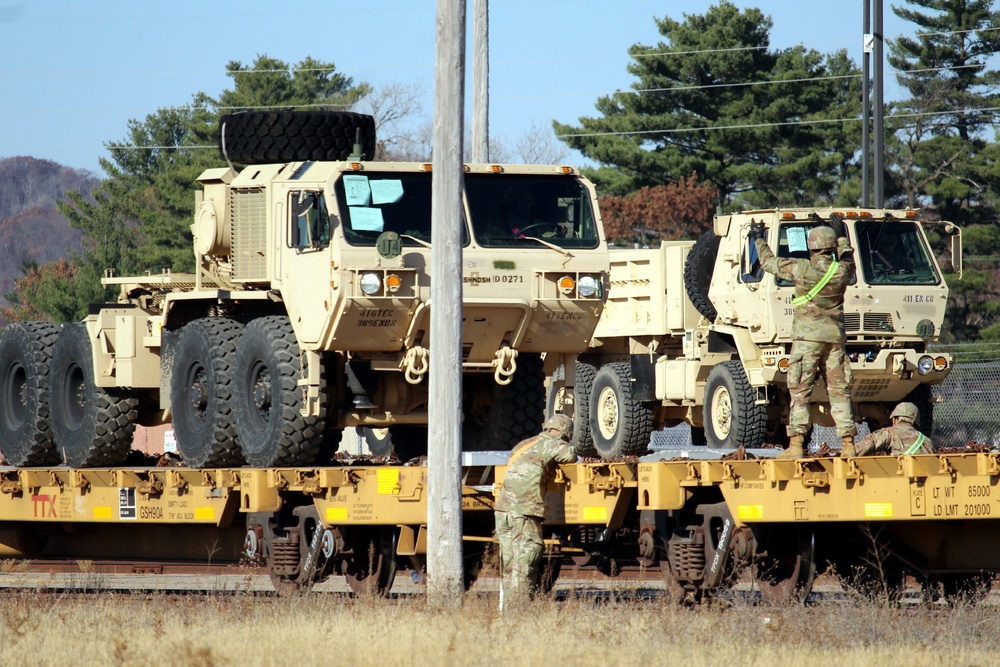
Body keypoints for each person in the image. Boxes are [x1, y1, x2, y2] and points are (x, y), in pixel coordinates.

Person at [751, 214, 857, 459]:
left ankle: (796, 446)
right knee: (839, 391)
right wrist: (841, 234)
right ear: (830, 247)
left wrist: (758, 238)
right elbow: (848, 258)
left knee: (800, 392)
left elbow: (768, 262)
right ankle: (849, 444)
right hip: (834, 340)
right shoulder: (842, 271)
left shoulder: (802, 269)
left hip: (807, 340)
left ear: (811, 247)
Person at [494, 414, 576, 608]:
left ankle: (507, 607)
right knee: (527, 558)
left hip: (503, 509)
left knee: (510, 561)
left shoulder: (524, 444)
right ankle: (520, 609)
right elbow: (570, 455)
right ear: (564, 433)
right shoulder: (552, 443)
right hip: (524, 509)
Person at [848, 402, 933, 457]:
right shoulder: (927, 441)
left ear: (894, 419)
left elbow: (865, 447)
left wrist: (846, 454)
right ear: (915, 422)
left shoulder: (889, 433)